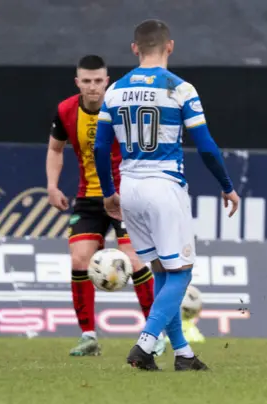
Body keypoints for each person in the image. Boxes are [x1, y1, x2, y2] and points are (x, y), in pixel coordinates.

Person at [94, 19, 239, 371]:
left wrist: (109, 193)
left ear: (134, 48)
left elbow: (100, 146)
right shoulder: (180, 89)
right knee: (182, 272)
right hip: (164, 186)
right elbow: (205, 146)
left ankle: (183, 354)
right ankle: (145, 345)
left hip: (129, 187)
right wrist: (226, 185)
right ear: (169, 46)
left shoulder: (114, 90)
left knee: (161, 269)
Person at [46, 55, 164, 357]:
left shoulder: (121, 107)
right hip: (88, 200)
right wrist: (52, 185)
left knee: (135, 260)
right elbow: (55, 149)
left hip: (125, 199)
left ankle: (155, 333)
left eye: (98, 81)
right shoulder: (66, 110)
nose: (93, 87)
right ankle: (88, 336)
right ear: (78, 83)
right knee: (79, 260)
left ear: (106, 81)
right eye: (87, 81)